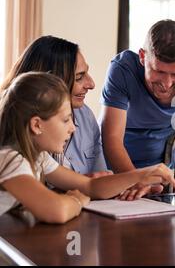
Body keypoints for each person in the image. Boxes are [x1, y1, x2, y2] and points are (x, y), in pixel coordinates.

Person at [0, 73, 175, 224]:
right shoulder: (11, 160)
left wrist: (142, 174)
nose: (72, 128)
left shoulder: (38, 157)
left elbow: (91, 186)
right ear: (37, 125)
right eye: (65, 120)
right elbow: (57, 211)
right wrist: (76, 200)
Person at [100, 19, 175, 199]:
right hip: (114, 171)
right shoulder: (122, 70)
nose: (166, 83)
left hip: (159, 173)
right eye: (159, 71)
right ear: (143, 56)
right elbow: (111, 138)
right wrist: (137, 181)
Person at [2, 36, 109, 178]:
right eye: (79, 77)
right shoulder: (13, 157)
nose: (91, 84)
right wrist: (78, 191)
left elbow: (99, 179)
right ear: (49, 82)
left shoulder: (85, 116)